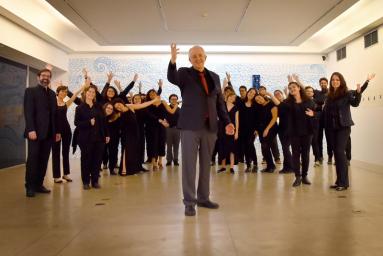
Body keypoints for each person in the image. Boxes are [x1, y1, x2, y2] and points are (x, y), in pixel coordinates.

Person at [167, 43, 234, 216]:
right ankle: (189, 202)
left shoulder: (215, 76)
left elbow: (219, 103)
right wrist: (173, 60)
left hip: (210, 127)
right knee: (189, 166)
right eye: (194, 56)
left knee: (206, 165)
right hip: (190, 126)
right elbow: (171, 77)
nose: (197, 58)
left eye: (200, 55)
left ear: (205, 57)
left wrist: (227, 121)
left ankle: (203, 198)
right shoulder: (184, 73)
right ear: (189, 59)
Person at [324, 73, 375, 191]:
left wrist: (364, 85)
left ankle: (344, 182)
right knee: (336, 153)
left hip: (343, 127)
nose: (335, 81)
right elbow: (325, 110)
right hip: (331, 128)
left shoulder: (346, 93)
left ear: (341, 81)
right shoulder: (329, 95)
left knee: (339, 151)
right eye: (333, 80)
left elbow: (355, 103)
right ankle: (339, 181)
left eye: (337, 80)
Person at [24, 68, 59, 197]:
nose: (45, 77)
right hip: (35, 133)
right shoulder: (30, 91)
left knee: (44, 160)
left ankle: (39, 184)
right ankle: (30, 186)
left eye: (48, 76)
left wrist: (57, 132)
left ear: (50, 78)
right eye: (43, 75)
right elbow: (28, 112)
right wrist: (30, 129)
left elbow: (54, 115)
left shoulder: (51, 93)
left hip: (49, 133)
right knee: (33, 160)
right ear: (38, 77)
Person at [113, 96, 161, 175]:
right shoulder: (118, 114)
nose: (118, 107)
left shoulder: (130, 106)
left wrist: (154, 100)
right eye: (116, 107)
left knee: (134, 151)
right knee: (126, 151)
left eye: (118, 104)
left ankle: (133, 169)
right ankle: (124, 169)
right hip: (126, 134)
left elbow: (143, 105)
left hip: (135, 133)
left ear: (121, 102)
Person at [74, 83, 109, 190]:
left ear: (95, 95)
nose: (91, 93)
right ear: (85, 93)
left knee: (97, 160)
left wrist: (107, 134)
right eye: (89, 91)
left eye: (93, 92)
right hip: (85, 139)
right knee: (86, 160)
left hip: (99, 138)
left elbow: (104, 122)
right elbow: (76, 123)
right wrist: (88, 122)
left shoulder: (99, 107)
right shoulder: (80, 108)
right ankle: (85, 182)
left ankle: (95, 181)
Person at [52, 82, 83, 183]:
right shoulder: (52, 103)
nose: (64, 93)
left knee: (65, 152)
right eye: (62, 91)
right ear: (57, 92)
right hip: (56, 131)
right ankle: (56, 176)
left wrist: (82, 88)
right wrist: (56, 132)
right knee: (56, 153)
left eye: (65, 91)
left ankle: (65, 174)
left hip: (66, 130)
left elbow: (74, 96)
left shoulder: (66, 103)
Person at [254, 94, 278, 173]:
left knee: (265, 147)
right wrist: (257, 130)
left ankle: (272, 166)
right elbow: (258, 119)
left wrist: (267, 129)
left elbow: (274, 118)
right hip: (261, 129)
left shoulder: (271, 104)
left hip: (271, 129)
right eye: (257, 100)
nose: (259, 101)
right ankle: (269, 166)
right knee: (264, 149)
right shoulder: (259, 107)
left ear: (263, 97)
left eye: (260, 98)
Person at [217, 91, 239, 174]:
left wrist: (236, 132)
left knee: (232, 149)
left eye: (233, 97)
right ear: (227, 97)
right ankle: (223, 167)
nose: (232, 98)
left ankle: (232, 167)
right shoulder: (222, 106)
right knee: (222, 148)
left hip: (232, 130)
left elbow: (237, 121)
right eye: (231, 96)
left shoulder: (236, 108)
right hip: (222, 129)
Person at [239, 88, 258, 173]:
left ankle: (255, 164)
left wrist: (257, 129)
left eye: (253, 93)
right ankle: (248, 165)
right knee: (245, 147)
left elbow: (258, 118)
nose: (251, 94)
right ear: (247, 92)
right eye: (250, 92)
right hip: (242, 129)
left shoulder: (256, 105)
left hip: (252, 130)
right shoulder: (241, 103)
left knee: (250, 145)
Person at [165, 94, 181, 166]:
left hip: (177, 129)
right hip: (168, 129)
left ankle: (175, 160)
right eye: (172, 99)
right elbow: (165, 117)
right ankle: (169, 160)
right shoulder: (167, 108)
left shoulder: (179, 109)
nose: (174, 100)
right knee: (168, 146)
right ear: (169, 100)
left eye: (175, 99)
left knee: (176, 146)